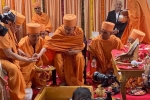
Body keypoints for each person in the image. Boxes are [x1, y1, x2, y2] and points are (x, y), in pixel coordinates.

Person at [33, 14, 85, 86]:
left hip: (75, 51)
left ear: (74, 27)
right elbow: (48, 44)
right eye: (65, 28)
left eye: (69, 29)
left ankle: (78, 79)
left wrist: (74, 52)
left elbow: (80, 46)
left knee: (79, 58)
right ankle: (63, 79)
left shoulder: (79, 32)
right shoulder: (60, 31)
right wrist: (39, 54)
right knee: (57, 58)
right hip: (61, 51)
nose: (66, 31)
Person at [0, 10, 37, 100]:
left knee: (29, 64)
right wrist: (25, 59)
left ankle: (24, 87)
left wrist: (25, 55)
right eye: (17, 27)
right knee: (14, 68)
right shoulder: (3, 32)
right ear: (10, 23)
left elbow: (15, 48)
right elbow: (9, 54)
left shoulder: (10, 31)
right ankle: (16, 96)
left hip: (9, 57)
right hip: (2, 58)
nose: (18, 29)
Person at [19, 23, 51, 89]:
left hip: (37, 63)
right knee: (29, 69)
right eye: (33, 36)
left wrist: (39, 55)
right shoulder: (22, 43)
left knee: (46, 71)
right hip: (26, 65)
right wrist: (29, 59)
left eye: (38, 35)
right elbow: (19, 60)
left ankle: (36, 82)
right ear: (28, 35)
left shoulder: (40, 40)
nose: (36, 38)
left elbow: (46, 46)